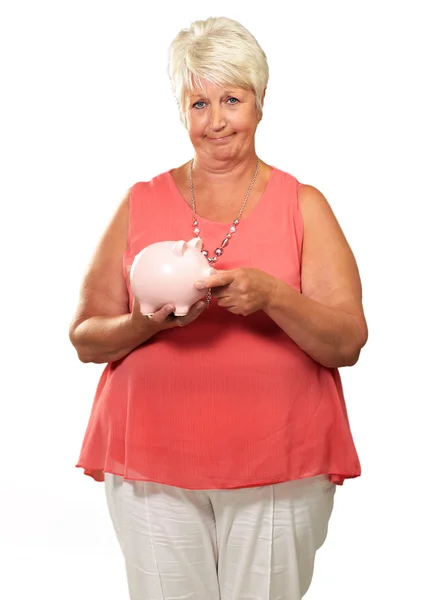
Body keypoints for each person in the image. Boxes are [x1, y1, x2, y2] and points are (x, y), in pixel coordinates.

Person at [69, 16, 368, 600]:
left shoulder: (303, 204)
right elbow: (84, 337)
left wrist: (273, 296)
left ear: (259, 102)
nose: (216, 120)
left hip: (280, 460)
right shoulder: (140, 201)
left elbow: (347, 342)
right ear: (183, 111)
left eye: (232, 99)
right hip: (150, 462)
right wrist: (143, 323)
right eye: (199, 102)